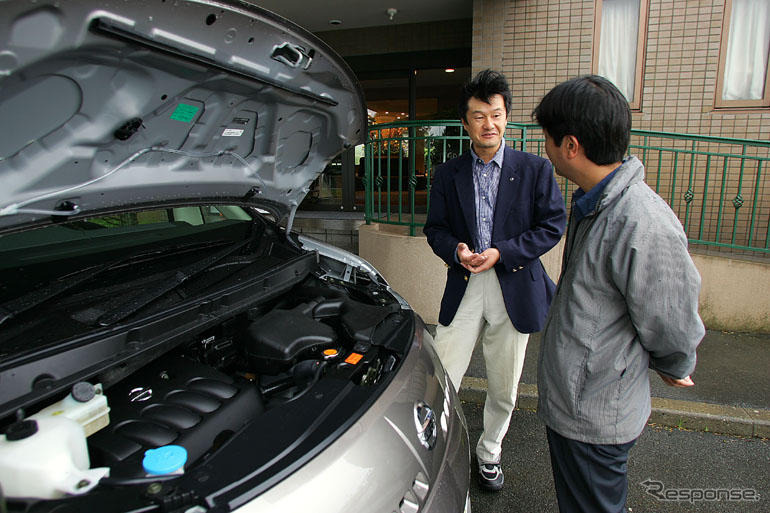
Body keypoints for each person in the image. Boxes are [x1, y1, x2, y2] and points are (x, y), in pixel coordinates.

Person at [532, 75, 705, 513]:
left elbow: (672, 317)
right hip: (578, 402)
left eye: (548, 139)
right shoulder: (595, 200)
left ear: (570, 146)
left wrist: (676, 361)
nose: (545, 148)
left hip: (596, 412)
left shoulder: (642, 221)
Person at [423, 69, 567, 491]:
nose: (489, 124)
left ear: (507, 118)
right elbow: (436, 229)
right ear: (465, 123)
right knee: (444, 376)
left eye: (497, 114)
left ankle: (489, 452)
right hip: (465, 284)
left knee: (504, 384)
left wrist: (503, 252)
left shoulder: (535, 170)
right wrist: (458, 251)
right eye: (479, 116)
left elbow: (552, 225)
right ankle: (443, 448)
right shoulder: (447, 174)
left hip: (514, 283)